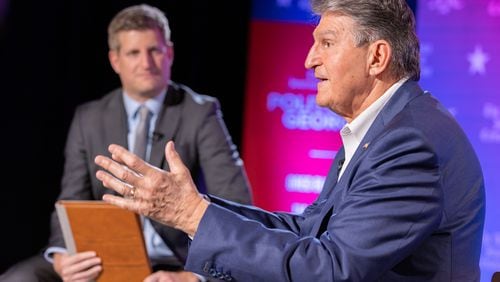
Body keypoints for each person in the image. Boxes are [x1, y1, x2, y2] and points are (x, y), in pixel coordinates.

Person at [94, 0, 485, 281]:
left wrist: (193, 216)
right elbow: (307, 232)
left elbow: (328, 270)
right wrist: (197, 209)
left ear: (377, 57)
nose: (309, 60)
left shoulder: (408, 144)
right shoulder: (384, 129)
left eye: (326, 43)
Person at [0, 4, 252, 282]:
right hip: (102, 257)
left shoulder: (201, 113)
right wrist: (62, 256)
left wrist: (191, 277)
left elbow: (235, 203)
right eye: (134, 53)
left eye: (154, 50)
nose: (146, 63)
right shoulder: (89, 117)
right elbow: (71, 198)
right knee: (20, 278)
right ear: (115, 60)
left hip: (175, 261)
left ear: (170, 53)